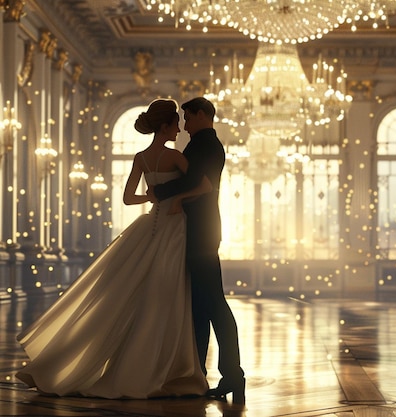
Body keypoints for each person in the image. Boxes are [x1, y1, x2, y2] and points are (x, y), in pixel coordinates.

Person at [15, 99, 211, 399]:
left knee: (137, 294)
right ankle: (164, 368)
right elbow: (204, 186)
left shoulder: (141, 158)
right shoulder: (174, 157)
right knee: (169, 297)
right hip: (174, 229)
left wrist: (152, 198)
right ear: (164, 126)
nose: (179, 128)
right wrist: (180, 199)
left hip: (151, 225)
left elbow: (128, 198)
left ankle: (82, 363)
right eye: (175, 124)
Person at [151, 97, 246, 404]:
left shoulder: (204, 143)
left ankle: (232, 374)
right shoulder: (204, 143)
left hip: (201, 232)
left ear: (203, 115)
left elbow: (196, 181)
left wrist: (162, 192)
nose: (185, 125)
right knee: (202, 307)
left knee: (213, 304)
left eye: (188, 118)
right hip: (201, 230)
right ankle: (204, 376)